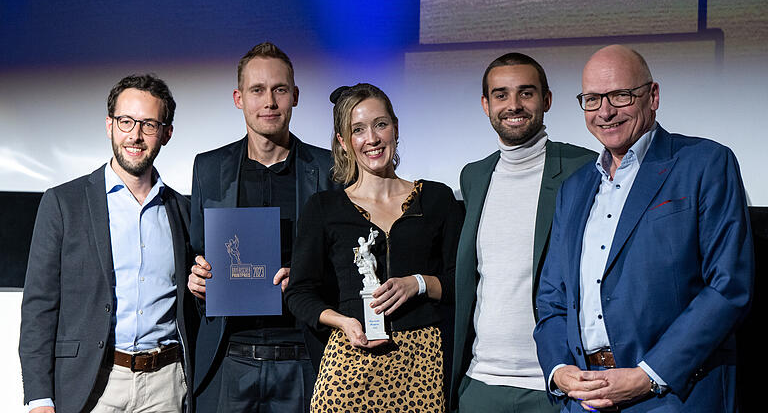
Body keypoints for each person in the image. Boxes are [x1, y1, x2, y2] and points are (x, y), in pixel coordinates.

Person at [533, 45, 754, 412]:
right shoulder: (574, 188)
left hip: (673, 396)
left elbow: (728, 286)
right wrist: (559, 370)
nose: (605, 111)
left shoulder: (705, 163)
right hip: (584, 399)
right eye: (591, 99)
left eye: (620, 95)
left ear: (652, 96)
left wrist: (648, 374)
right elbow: (552, 297)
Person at [285, 83, 464, 412]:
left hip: (421, 362)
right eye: (358, 129)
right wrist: (344, 323)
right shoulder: (324, 208)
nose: (372, 138)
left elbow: (462, 284)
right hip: (349, 362)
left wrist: (419, 283)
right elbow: (299, 292)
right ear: (343, 141)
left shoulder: (437, 199)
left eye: (381, 124)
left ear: (395, 127)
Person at [19, 74, 193, 413]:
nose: (136, 135)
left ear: (166, 133)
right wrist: (40, 398)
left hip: (167, 386)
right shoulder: (62, 203)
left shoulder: (183, 211)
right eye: (126, 121)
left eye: (149, 125)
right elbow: (39, 306)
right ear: (109, 125)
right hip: (93, 383)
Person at [185, 42, 337, 412]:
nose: (269, 101)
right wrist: (197, 281)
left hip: (305, 356)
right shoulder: (208, 168)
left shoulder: (329, 169)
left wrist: (307, 278)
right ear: (239, 98)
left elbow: (346, 263)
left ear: (295, 96)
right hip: (230, 358)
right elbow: (197, 251)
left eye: (279, 90)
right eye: (257, 90)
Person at [450, 53, 596, 412]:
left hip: (555, 383)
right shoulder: (474, 176)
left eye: (525, 93)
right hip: (480, 382)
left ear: (546, 99)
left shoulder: (585, 168)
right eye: (500, 95)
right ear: (486, 104)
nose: (513, 105)